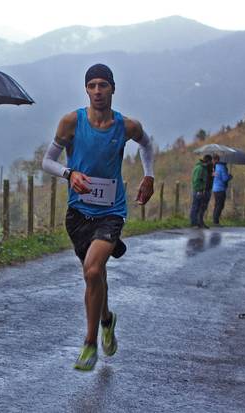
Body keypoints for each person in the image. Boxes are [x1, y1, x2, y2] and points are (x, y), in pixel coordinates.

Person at [41, 63, 155, 371]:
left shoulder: (126, 126)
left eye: (103, 85)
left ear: (113, 89)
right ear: (86, 89)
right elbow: (47, 161)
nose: (97, 91)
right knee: (96, 274)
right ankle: (106, 319)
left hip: (111, 212)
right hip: (78, 213)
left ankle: (90, 343)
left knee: (92, 272)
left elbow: (147, 143)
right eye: (91, 85)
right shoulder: (71, 122)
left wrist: (149, 176)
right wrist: (69, 173)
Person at [190, 155, 212, 228]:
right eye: (210, 161)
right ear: (208, 161)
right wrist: (200, 189)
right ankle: (193, 223)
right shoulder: (200, 168)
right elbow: (196, 180)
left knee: (198, 206)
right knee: (195, 206)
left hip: (200, 190)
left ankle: (197, 222)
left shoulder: (203, 168)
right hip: (198, 190)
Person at [211, 154, 232, 225]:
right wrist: (230, 176)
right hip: (221, 188)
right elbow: (224, 179)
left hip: (215, 188)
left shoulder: (215, 167)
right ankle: (216, 221)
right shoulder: (222, 167)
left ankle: (214, 219)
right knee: (220, 205)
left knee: (217, 204)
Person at [199, 154, 215, 228]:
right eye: (211, 160)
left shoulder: (205, 166)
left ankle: (200, 221)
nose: (212, 162)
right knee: (203, 205)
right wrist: (212, 174)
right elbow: (207, 177)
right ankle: (200, 221)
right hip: (206, 188)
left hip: (206, 187)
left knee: (203, 206)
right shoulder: (207, 166)